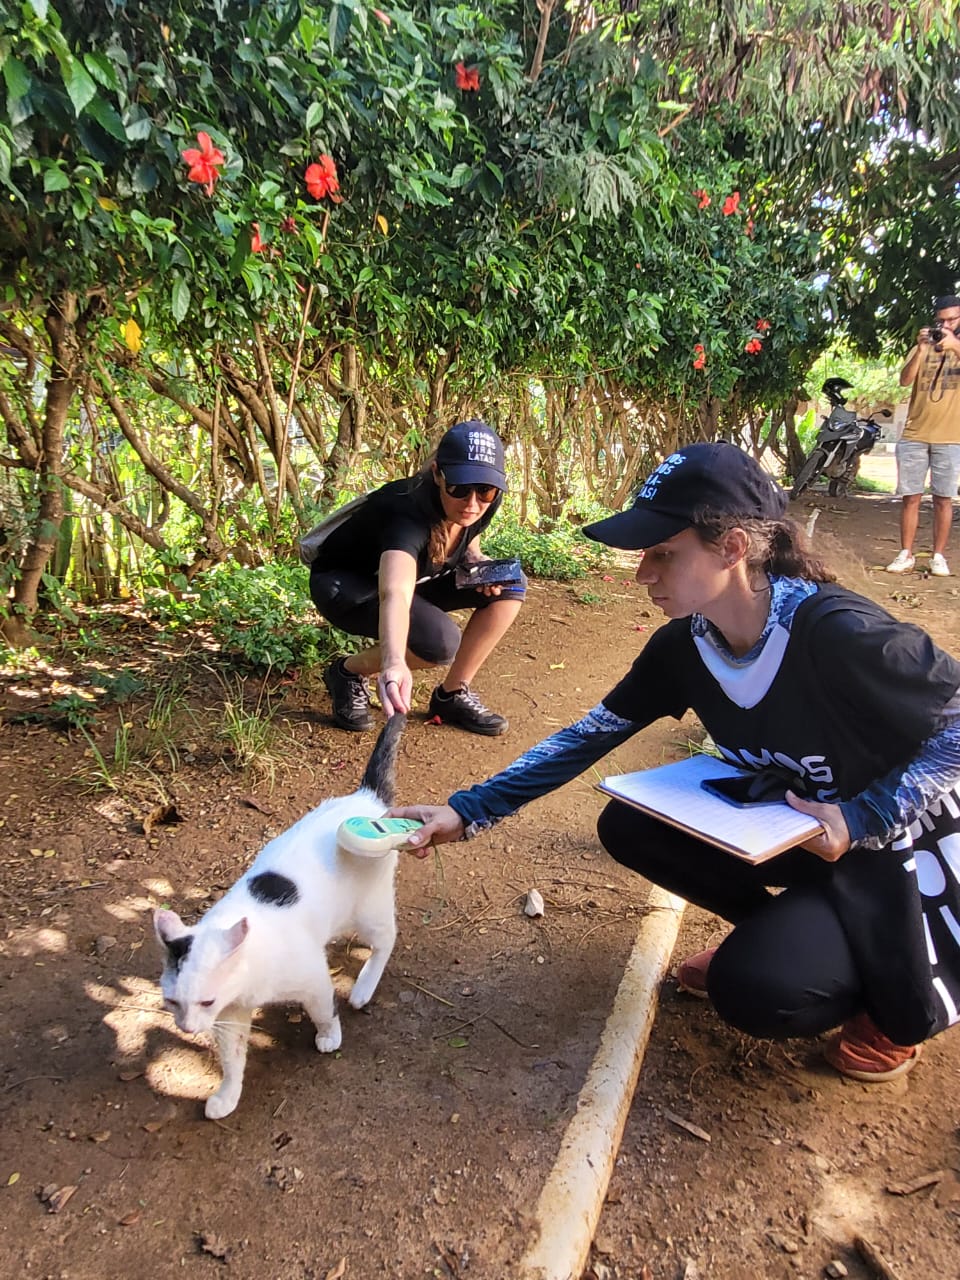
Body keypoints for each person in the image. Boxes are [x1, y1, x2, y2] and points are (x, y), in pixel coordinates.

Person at [392, 442, 960, 1082]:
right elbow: (588, 736)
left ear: (733, 548)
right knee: (630, 823)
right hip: (800, 827)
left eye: (663, 553)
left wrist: (863, 817)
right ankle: (787, 934)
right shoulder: (685, 647)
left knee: (756, 989)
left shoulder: (838, 631)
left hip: (899, 851)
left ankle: (875, 998)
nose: (643, 574)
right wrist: (468, 811)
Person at [308, 419, 525, 736]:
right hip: (347, 589)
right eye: (459, 488)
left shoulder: (484, 500)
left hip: (417, 579)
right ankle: (347, 671)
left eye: (485, 490)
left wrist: (477, 561)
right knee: (439, 642)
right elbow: (395, 592)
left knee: (510, 582)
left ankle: (452, 696)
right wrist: (394, 661)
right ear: (437, 474)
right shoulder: (406, 513)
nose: (472, 503)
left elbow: (470, 533)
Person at [886, 293, 960, 576]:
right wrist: (919, 349)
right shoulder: (925, 345)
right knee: (911, 497)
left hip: (951, 436)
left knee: (943, 498)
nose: (946, 325)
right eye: (942, 320)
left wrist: (954, 346)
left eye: (952, 320)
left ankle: (938, 556)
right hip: (915, 433)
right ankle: (906, 553)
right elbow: (905, 380)